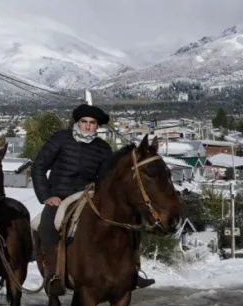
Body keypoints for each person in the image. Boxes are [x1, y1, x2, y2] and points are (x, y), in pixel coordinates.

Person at [31, 103, 155, 294]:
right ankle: (53, 274)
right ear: (77, 122)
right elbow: (38, 167)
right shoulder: (60, 139)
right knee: (48, 225)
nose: (88, 126)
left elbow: (107, 178)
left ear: (97, 126)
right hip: (60, 196)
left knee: (127, 223)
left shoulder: (103, 148)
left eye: (92, 123)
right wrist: (46, 195)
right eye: (84, 121)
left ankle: (133, 269)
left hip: (88, 195)